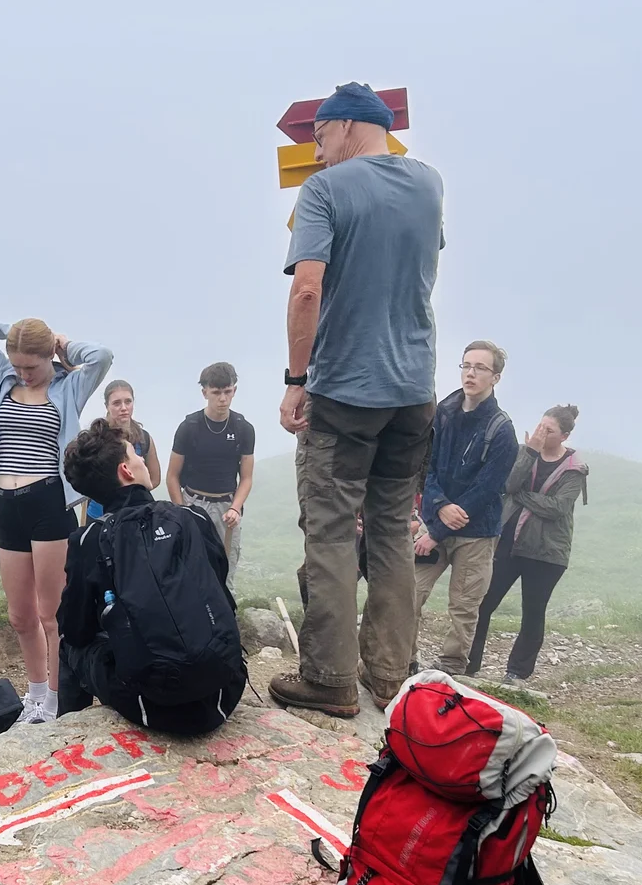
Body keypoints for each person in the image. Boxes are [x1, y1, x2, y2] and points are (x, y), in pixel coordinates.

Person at [271, 84, 444, 718]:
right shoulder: (429, 183)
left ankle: (330, 678)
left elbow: (307, 290)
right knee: (393, 528)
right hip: (414, 390)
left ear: (345, 126)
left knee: (332, 529)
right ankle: (390, 674)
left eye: (320, 138)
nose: (317, 153)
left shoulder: (324, 190)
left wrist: (296, 378)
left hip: (346, 387)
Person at [0, 315, 114, 723]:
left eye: (32, 366)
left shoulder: (69, 385)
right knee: (20, 615)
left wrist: (63, 345)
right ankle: (36, 696)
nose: (24, 373)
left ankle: (57, 701)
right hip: (6, 503)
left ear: (49, 358)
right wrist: (15, 333)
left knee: (51, 615)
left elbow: (102, 356)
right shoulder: (2, 376)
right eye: (18, 365)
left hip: (48, 502)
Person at [59, 420, 245, 734]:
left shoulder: (89, 539)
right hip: (224, 691)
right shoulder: (192, 517)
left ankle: (67, 737)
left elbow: (77, 630)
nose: (142, 460)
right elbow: (220, 593)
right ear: (126, 471)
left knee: (69, 644)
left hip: (151, 705)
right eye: (135, 455)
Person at [411, 341, 518, 676]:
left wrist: (439, 528)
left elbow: (488, 488)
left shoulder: (502, 430)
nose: (470, 373)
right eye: (466, 365)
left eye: (480, 368)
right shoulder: (444, 412)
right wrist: (439, 507)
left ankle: (452, 667)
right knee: (410, 591)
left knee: (464, 605)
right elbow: (427, 467)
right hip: (436, 520)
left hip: (477, 532)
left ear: (495, 377)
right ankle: (402, 657)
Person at [468, 405, 588, 681]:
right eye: (540, 426)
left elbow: (557, 508)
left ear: (564, 436)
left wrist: (521, 496)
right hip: (508, 543)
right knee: (483, 603)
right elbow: (509, 485)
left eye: (549, 430)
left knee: (533, 612)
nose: (541, 433)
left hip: (547, 551)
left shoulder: (575, 469)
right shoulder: (525, 452)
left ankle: (517, 673)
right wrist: (530, 453)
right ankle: (468, 663)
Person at [167, 362, 257, 589]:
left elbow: (246, 477)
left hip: (227, 506)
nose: (222, 399)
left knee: (225, 573)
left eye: (227, 391)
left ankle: (225, 611)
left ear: (234, 390)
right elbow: (172, 476)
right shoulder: (189, 426)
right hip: (193, 502)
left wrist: (236, 507)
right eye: (216, 392)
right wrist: (182, 511)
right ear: (205, 392)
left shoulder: (243, 428)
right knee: (190, 569)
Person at [85, 381, 160, 520]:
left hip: (134, 514)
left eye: (128, 401)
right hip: (99, 515)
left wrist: (133, 493)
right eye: (117, 403)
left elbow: (155, 479)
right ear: (107, 406)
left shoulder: (144, 438)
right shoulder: (96, 438)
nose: (124, 408)